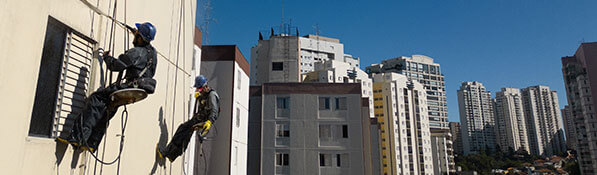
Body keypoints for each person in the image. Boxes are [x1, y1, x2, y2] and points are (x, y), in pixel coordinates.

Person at [56, 22, 158, 152]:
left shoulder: (136, 52)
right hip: (138, 91)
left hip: (130, 86)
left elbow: (115, 66)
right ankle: (92, 144)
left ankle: (77, 138)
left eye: (136, 34)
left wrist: (106, 58)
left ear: (140, 38)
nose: (134, 36)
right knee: (108, 108)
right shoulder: (152, 53)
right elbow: (144, 55)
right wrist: (135, 32)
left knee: (96, 99)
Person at [157, 75, 219, 162]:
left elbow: (214, 110)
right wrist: (199, 97)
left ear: (205, 86)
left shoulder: (212, 95)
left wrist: (210, 121)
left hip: (203, 120)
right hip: (199, 119)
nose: (198, 90)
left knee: (182, 129)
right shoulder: (205, 94)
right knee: (186, 134)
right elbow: (204, 104)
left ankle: (166, 152)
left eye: (199, 89)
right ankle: (172, 155)